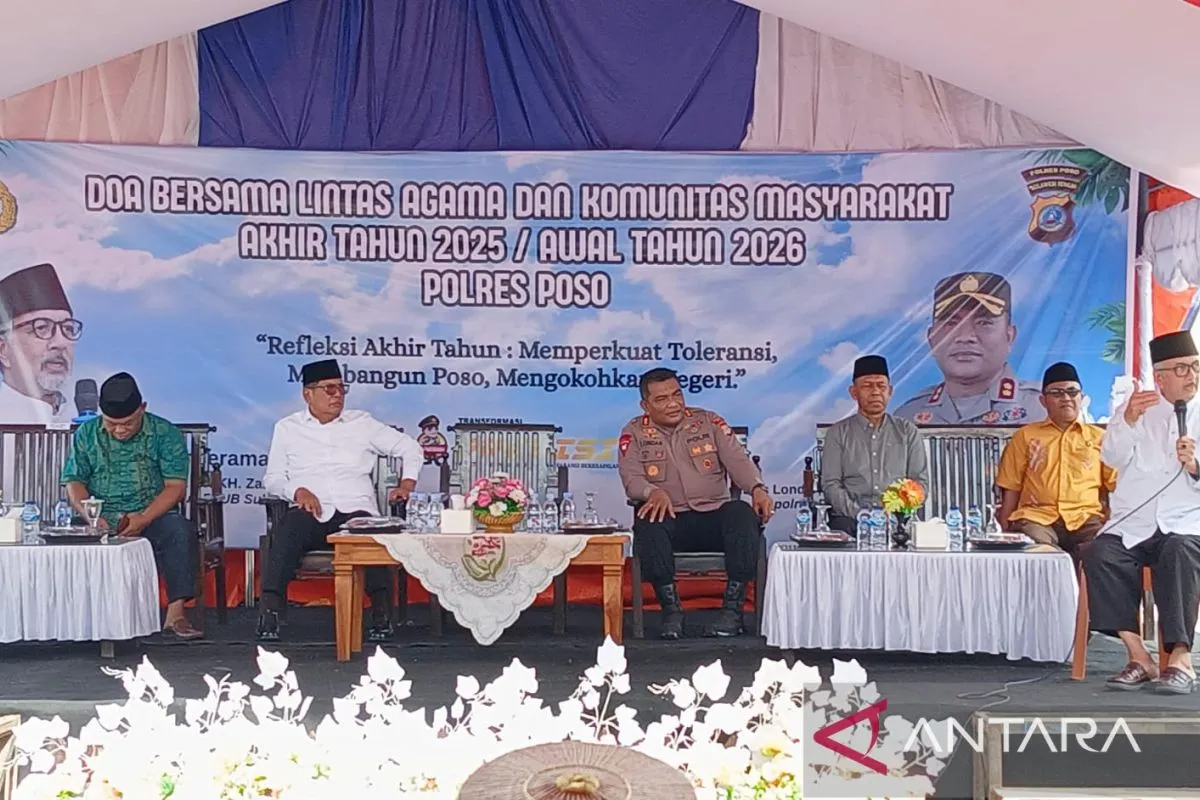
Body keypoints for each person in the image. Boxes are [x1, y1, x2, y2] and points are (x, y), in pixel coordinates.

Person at [259, 358, 423, 642]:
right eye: (329, 389)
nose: (337, 395)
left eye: (341, 388)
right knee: (288, 527)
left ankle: (381, 613)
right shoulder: (287, 428)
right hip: (311, 511)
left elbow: (410, 448)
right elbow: (272, 478)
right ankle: (270, 611)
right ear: (307, 394)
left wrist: (406, 484)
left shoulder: (362, 423)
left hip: (355, 511)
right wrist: (297, 491)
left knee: (369, 535)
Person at [617, 367, 774, 639]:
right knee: (647, 521)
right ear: (646, 406)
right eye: (662, 399)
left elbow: (738, 461)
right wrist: (651, 491)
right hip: (671, 519)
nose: (673, 403)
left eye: (677, 395)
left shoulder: (708, 422)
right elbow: (631, 478)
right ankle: (671, 612)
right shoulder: (634, 432)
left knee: (741, 513)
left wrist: (757, 488)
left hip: (713, 516)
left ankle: (732, 611)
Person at [1084, 331, 1200, 695]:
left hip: (1186, 523)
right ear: (1160, 378)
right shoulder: (1137, 409)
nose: (1191, 376)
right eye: (1181, 369)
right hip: (1135, 523)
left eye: (1196, 367)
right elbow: (1112, 458)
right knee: (1099, 552)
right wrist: (1129, 420)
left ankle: (1180, 659)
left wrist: (1195, 466)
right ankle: (1138, 656)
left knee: (1180, 551)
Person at [61, 372, 201, 639]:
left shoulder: (164, 433)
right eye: (112, 424)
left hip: (152, 516)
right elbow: (74, 482)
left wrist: (144, 518)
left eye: (127, 423)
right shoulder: (87, 433)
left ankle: (176, 615)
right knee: (68, 536)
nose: (119, 430)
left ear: (142, 408)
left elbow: (175, 487)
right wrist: (91, 515)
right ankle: (77, 618)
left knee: (179, 530)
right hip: (100, 518)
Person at [996, 362, 1115, 569]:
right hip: (1038, 518)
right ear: (1043, 400)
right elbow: (1011, 486)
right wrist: (1005, 529)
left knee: (1104, 550)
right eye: (1057, 393)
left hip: (1086, 519)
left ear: (1081, 398)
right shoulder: (1026, 436)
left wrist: (1115, 524)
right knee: (1038, 551)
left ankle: (1085, 593)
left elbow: (1116, 487)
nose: (1066, 398)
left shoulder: (1100, 438)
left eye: (1072, 392)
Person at [895, 272, 1043, 425]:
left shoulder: (1043, 410)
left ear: (1010, 336)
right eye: (951, 323)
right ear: (931, 339)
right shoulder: (906, 418)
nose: (965, 337)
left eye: (984, 322)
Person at [820, 355, 928, 535]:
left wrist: (897, 512)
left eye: (881, 386)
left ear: (890, 391)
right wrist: (861, 515)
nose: (875, 392)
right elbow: (831, 484)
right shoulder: (838, 433)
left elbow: (919, 482)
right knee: (842, 530)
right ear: (854, 392)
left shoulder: (907, 431)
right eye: (867, 386)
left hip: (897, 519)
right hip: (850, 520)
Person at [0, 263, 80, 424]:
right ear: (3, 350)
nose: (60, 342)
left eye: (68, 329)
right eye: (41, 328)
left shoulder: (95, 425)